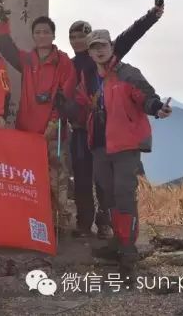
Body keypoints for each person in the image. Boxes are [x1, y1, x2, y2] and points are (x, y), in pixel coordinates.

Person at [66, 29, 172, 277]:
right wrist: (64, 105)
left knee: (124, 196)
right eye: (94, 47)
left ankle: (128, 252)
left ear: (112, 47)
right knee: (109, 195)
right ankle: (117, 241)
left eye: (103, 46)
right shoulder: (90, 77)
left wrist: (157, 108)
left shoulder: (128, 73)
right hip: (100, 146)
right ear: (89, 52)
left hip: (125, 146)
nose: (99, 50)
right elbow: (81, 102)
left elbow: (146, 97)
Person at [0, 7, 74, 231]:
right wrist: (2, 24)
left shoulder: (64, 62)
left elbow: (66, 95)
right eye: (37, 32)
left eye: (46, 32)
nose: (42, 36)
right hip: (26, 132)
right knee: (28, 179)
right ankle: (31, 220)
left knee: (57, 178)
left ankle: (61, 225)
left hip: (52, 133)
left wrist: (54, 122)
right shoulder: (27, 60)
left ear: (53, 35)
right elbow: (6, 48)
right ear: (33, 35)